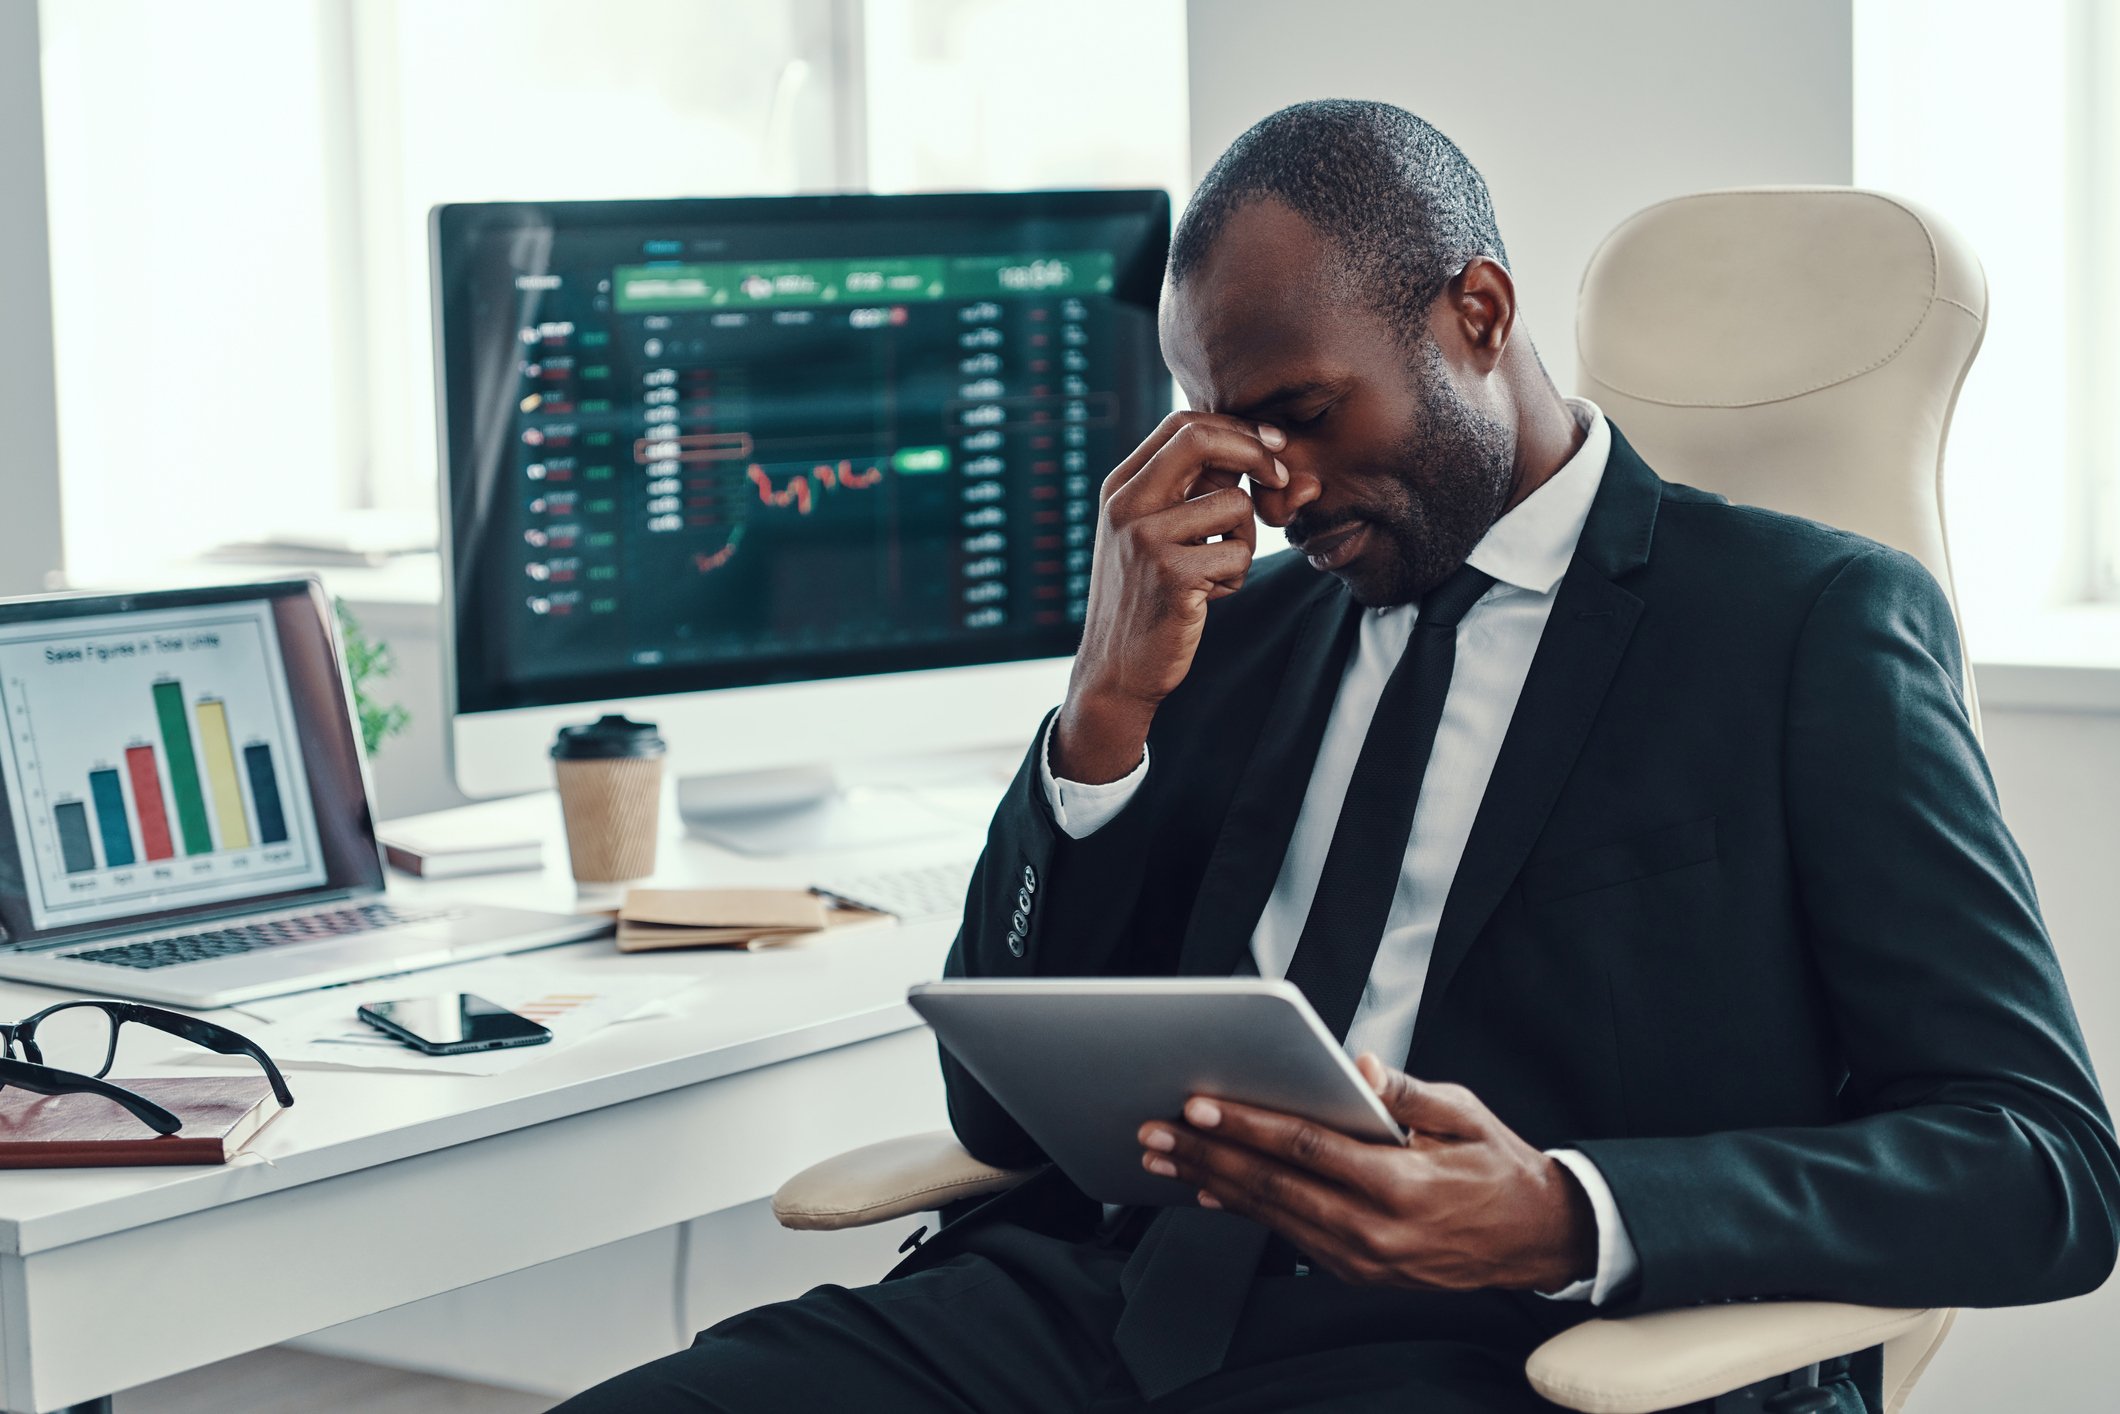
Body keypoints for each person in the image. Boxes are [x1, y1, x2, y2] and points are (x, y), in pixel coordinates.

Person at [559, 100, 2119, 1414]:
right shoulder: (1232, 632)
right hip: (1110, 1313)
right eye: (1231, 431)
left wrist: (1565, 1209)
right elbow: (993, 1119)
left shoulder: (1804, 627)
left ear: (1479, 314)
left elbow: (2043, 1165)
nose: (1277, 487)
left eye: (1305, 411)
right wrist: (1099, 717)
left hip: (1508, 1352)